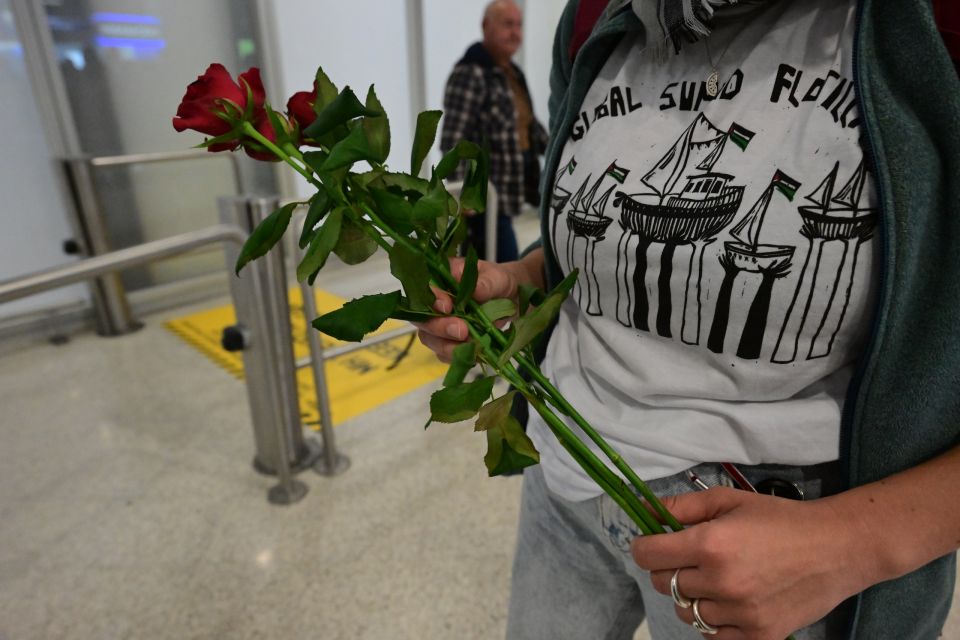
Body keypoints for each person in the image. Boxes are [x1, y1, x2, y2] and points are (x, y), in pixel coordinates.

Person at [418, 0, 960, 639]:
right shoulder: (597, 17)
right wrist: (518, 281)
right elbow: (591, 246)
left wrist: (856, 542)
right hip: (562, 477)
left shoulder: (930, 25)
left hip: (761, 543)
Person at [440, 0, 549, 263]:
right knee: (503, 272)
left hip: (508, 194)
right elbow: (453, 139)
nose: (515, 32)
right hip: (483, 199)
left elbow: (528, 126)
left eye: (519, 25)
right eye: (507, 24)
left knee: (491, 271)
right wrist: (461, 195)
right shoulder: (471, 73)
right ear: (486, 26)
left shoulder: (512, 73)